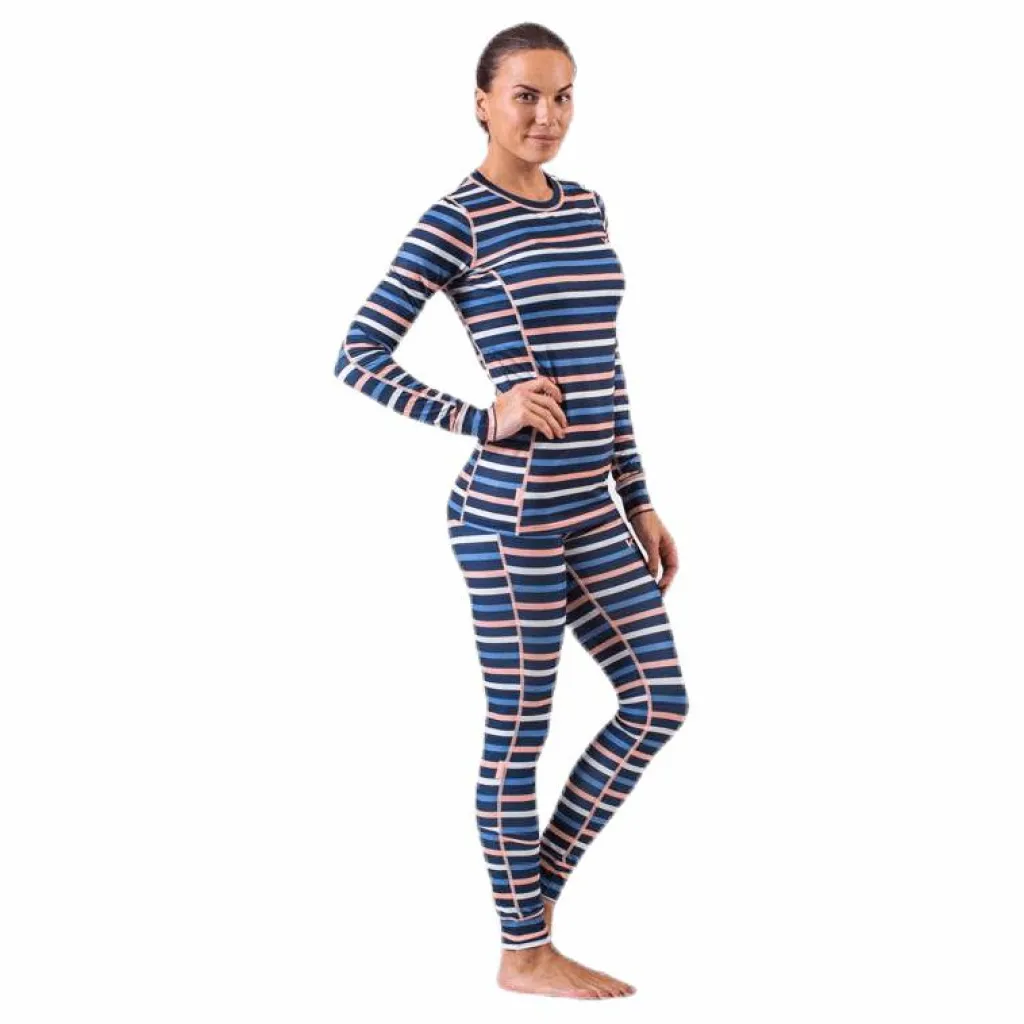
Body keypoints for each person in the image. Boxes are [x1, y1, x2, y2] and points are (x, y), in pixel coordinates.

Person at [334, 22, 688, 1000]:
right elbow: (357, 354)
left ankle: (530, 911)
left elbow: (603, 369)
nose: (547, 116)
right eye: (525, 96)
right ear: (482, 102)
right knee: (520, 728)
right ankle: (523, 950)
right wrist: (480, 416)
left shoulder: (585, 206)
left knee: (657, 701)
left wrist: (638, 497)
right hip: (509, 518)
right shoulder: (456, 221)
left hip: (591, 508)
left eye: (563, 95)